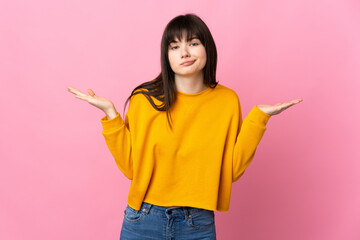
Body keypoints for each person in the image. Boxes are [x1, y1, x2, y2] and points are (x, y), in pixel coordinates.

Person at [67, 13, 302, 240]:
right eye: (175, 46)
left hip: (197, 223)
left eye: (193, 43)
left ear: (207, 48)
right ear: (166, 56)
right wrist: (110, 114)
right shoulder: (145, 99)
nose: (185, 53)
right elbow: (131, 169)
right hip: (143, 220)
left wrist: (258, 118)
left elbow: (230, 171)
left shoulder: (227, 101)